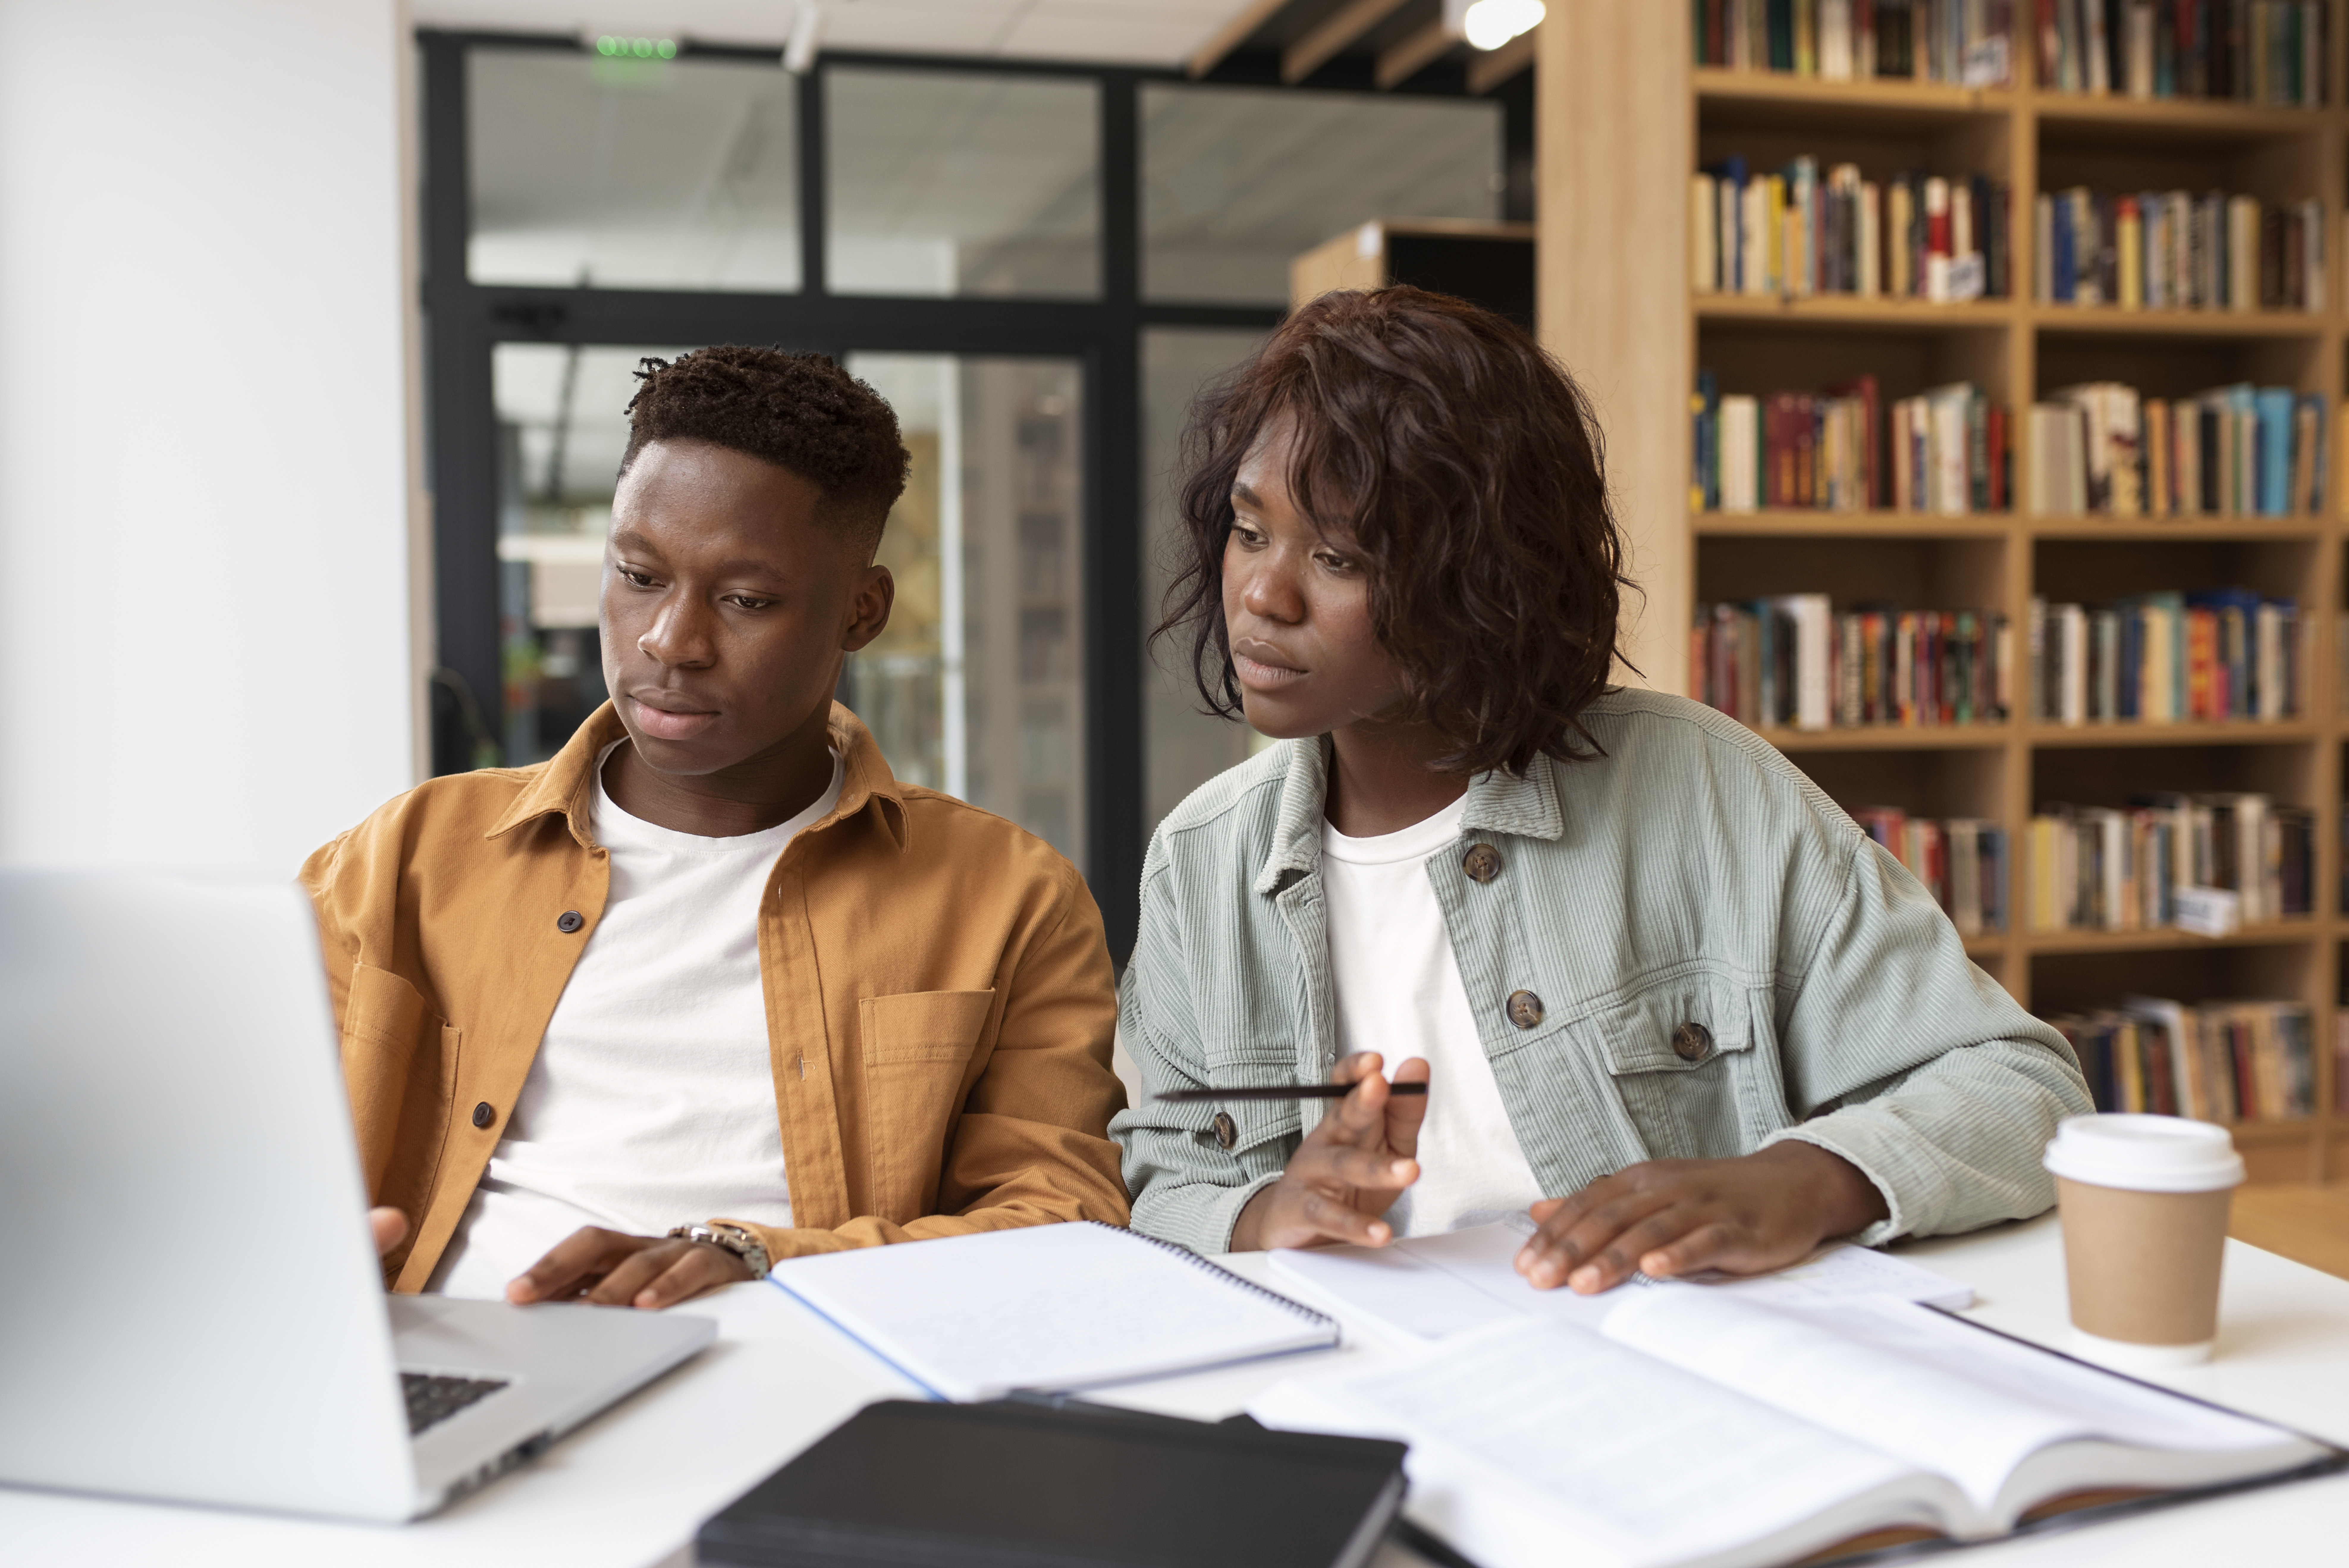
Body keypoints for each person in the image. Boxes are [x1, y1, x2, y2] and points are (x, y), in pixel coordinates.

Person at [1113, 287, 2091, 1292]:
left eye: (1336, 557)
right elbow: (1161, 1176)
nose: (1262, 596)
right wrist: (1269, 1210)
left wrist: (1800, 1181)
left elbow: (2023, 1088)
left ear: (1478, 577)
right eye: (1246, 530)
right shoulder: (1201, 864)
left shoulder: (1707, 792)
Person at [308, 346, 1128, 1310]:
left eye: (745, 600)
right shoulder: (403, 858)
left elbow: (1062, 1217)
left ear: (860, 613)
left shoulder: (1009, 898)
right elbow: (220, 1141)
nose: (670, 641)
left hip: (811, 1373)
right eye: (639, 575)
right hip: (465, 1360)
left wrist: (760, 1256)